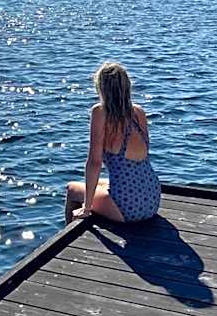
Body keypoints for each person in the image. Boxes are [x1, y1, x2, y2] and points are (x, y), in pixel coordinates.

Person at [65, 62, 161, 224]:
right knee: (99, 184)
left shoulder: (100, 113)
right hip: (152, 197)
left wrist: (86, 208)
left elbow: (94, 163)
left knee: (72, 188)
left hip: (127, 207)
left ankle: (65, 240)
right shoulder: (138, 112)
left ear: (101, 88)